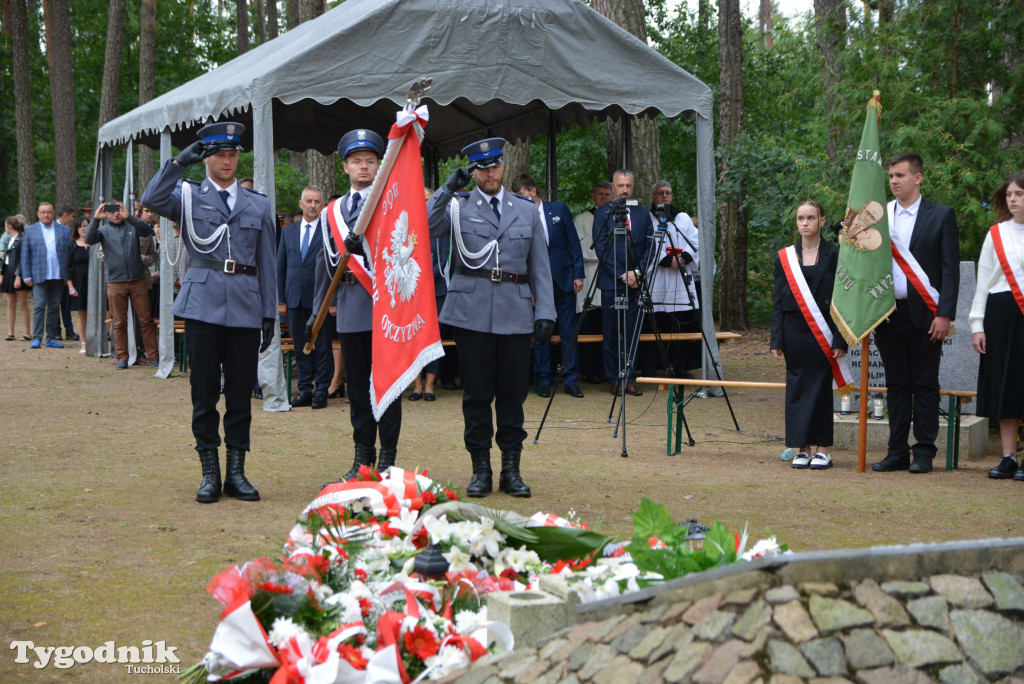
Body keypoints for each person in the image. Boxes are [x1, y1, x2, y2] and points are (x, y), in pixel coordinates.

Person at [142, 121, 276, 503]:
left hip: (247, 306)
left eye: (233, 154)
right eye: (219, 154)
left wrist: (269, 313)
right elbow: (151, 198)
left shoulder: (259, 203)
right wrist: (179, 162)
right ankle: (209, 473)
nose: (227, 161)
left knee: (238, 395)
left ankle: (236, 472)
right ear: (208, 158)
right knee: (203, 394)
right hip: (202, 305)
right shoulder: (187, 196)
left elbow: (266, 261)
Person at [427, 137, 556, 498]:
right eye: (482, 168)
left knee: (513, 395)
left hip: (515, 312)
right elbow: (422, 225)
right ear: (474, 171)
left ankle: (511, 470)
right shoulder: (457, 207)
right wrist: (447, 188)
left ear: (504, 166)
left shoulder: (527, 209)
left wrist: (545, 310)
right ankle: (481, 468)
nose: (490, 173)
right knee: (477, 395)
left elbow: (540, 265)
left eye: (495, 165)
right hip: (472, 314)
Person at [313, 128, 402, 481]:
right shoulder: (331, 211)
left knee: (388, 387)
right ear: (346, 167)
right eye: (356, 162)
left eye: (370, 161)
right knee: (358, 390)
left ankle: (388, 458)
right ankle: (362, 458)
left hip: (385, 308)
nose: (363, 167)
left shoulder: (390, 202)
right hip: (350, 307)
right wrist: (318, 310)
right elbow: (326, 265)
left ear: (379, 166)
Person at [871, 153, 959, 474]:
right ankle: (896, 451)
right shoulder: (879, 217)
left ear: (918, 178)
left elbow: (950, 271)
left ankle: (923, 451)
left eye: (900, 175)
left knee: (924, 384)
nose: (894, 181)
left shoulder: (941, 216)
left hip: (926, 314)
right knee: (895, 385)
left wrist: (945, 314)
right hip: (888, 313)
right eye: (891, 176)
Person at [770, 201, 848, 469]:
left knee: (821, 389)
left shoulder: (836, 254)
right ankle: (801, 447)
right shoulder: (785, 257)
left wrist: (840, 339)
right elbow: (778, 301)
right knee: (797, 389)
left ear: (822, 221)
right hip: (793, 330)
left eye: (811, 218)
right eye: (801, 218)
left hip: (824, 330)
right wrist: (776, 339)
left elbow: (842, 300)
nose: (805, 223)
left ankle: (822, 449)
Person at [511, 173, 585, 398]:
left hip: (563, 279)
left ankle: (571, 380)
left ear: (533, 191)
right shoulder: (519, 216)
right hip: (537, 284)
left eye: (522, 195)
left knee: (568, 331)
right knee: (541, 331)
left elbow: (573, 243)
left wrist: (578, 274)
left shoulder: (559, 209)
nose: (520, 201)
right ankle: (542, 379)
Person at [971, 171, 1024, 481]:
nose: (1013, 199)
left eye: (1019, 194)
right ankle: (1008, 457)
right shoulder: (996, 234)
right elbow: (983, 281)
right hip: (1001, 312)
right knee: (1006, 384)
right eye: (1009, 195)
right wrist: (978, 324)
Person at [591, 170, 654, 396]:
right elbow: (601, 249)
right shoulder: (602, 214)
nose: (624, 190)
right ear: (614, 187)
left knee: (632, 333)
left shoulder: (643, 214)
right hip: (611, 282)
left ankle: (628, 378)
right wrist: (621, 274)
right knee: (611, 333)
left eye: (628, 185)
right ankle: (613, 379)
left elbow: (650, 246)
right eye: (620, 186)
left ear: (633, 186)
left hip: (636, 283)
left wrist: (637, 272)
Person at [84, 200, 160, 369]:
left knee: (146, 320)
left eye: (118, 210)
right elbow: (88, 239)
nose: (116, 214)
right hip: (115, 283)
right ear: (107, 214)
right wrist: (96, 218)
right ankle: (122, 357)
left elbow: (147, 231)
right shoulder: (103, 231)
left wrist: (130, 216)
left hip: (137, 281)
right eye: (111, 211)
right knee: (119, 322)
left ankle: (154, 356)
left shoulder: (133, 227)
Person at [278, 186, 334, 409]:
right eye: (309, 201)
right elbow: (280, 267)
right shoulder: (288, 232)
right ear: (301, 204)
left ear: (322, 206)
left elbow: (335, 267)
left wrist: (334, 301)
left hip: (321, 299)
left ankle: (321, 390)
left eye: (317, 202)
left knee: (322, 346)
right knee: (300, 345)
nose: (313, 206)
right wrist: (281, 299)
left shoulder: (329, 232)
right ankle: (304, 390)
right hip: (294, 299)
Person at [645, 181, 702, 378]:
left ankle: (680, 367)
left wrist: (683, 258)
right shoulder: (647, 218)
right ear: (653, 196)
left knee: (679, 326)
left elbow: (695, 240)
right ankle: (651, 368)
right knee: (655, 325)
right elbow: (647, 244)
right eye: (660, 193)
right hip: (658, 278)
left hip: (679, 279)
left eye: (668, 193)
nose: (664, 196)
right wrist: (668, 260)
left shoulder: (683, 218)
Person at [574, 181, 613, 383]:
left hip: (610, 277)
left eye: (608, 194)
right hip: (588, 278)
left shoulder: (618, 219)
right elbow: (579, 249)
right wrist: (605, 251)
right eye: (600, 194)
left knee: (608, 326)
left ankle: (608, 369)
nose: (604, 197)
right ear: (594, 196)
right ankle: (590, 370)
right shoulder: (581, 219)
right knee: (589, 325)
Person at [22, 202, 72, 349]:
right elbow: (25, 254)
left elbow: (68, 255)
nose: (46, 215)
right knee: (39, 305)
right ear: (38, 214)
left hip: (58, 275)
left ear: (54, 213)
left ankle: (51, 338)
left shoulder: (64, 230)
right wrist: (26, 275)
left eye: (49, 212)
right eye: (43, 212)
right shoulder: (30, 230)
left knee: (54, 307)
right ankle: (37, 338)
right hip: (38, 274)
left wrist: (68, 276)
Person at [1, 215, 31, 341]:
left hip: (18, 273)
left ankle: (27, 333)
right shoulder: (9, 240)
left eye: (5, 226)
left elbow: (21, 259)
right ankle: (10, 332)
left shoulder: (22, 240)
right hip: (8, 272)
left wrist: (18, 276)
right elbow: (6, 259)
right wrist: (2, 273)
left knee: (22, 303)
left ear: (9, 226)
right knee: (10, 303)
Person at [64, 217, 90, 353]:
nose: (83, 229)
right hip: (79, 282)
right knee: (82, 314)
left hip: (94, 282)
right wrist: (71, 286)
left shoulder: (96, 244)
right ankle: (84, 343)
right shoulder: (72, 245)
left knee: (98, 313)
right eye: (80, 226)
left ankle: (97, 341)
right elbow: (66, 267)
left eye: (85, 226)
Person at [56, 205, 79, 341]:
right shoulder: (58, 230)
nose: (72, 219)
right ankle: (57, 330)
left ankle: (69, 330)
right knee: (55, 304)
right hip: (56, 274)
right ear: (65, 214)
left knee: (66, 304)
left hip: (65, 273)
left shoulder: (66, 230)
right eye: (71, 216)